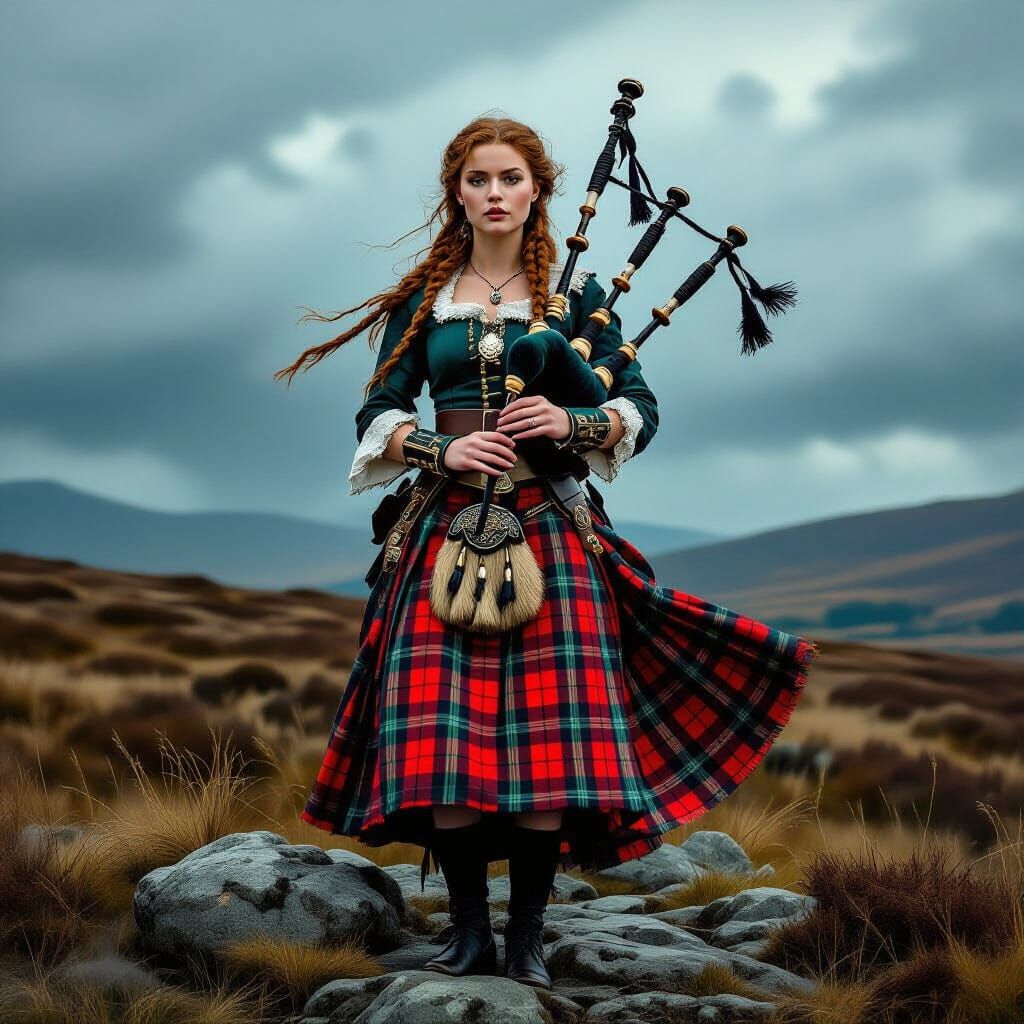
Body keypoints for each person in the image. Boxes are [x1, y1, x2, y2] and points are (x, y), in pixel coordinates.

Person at [275, 116, 818, 990]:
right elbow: (377, 409)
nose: (495, 193)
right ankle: (465, 935)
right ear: (457, 193)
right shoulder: (427, 299)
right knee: (437, 740)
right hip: (445, 525)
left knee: (548, 751)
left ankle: (525, 939)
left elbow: (637, 406)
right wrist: (437, 449)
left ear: (538, 191)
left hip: (553, 527)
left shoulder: (583, 300)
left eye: (511, 178)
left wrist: (573, 421)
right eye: (479, 179)